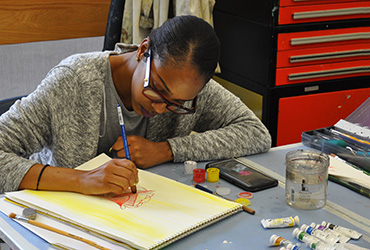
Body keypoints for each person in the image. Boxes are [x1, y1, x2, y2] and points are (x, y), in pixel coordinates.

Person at [0, 15, 271, 195]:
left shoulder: (188, 87)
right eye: (157, 90)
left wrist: (166, 150)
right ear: (143, 51)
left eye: (177, 104)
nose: (160, 108)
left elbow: (256, 134)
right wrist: (81, 180)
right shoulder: (74, 81)